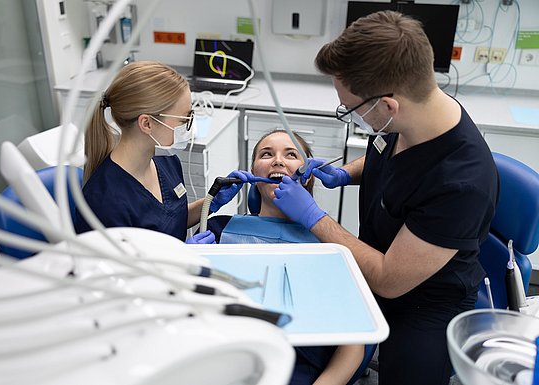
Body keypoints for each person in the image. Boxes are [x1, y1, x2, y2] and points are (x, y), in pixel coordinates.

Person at [270, 11, 499, 385]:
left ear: (388, 106)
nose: (351, 115)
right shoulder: (417, 112)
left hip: (425, 301)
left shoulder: (461, 182)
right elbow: (384, 151)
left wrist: (314, 217)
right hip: (373, 258)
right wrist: (346, 173)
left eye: (350, 109)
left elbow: (390, 280)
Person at [207, 129, 364, 385]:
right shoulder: (219, 229)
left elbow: (354, 343)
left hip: (293, 367)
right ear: (254, 174)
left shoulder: (330, 245)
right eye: (266, 154)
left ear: (308, 176)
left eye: (291, 154)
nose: (278, 160)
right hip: (222, 357)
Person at [74, 61, 236, 244]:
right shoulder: (105, 202)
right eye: (185, 119)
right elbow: (118, 271)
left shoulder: (168, 165)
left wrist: (210, 202)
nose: (191, 126)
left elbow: (170, 221)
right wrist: (182, 255)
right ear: (147, 124)